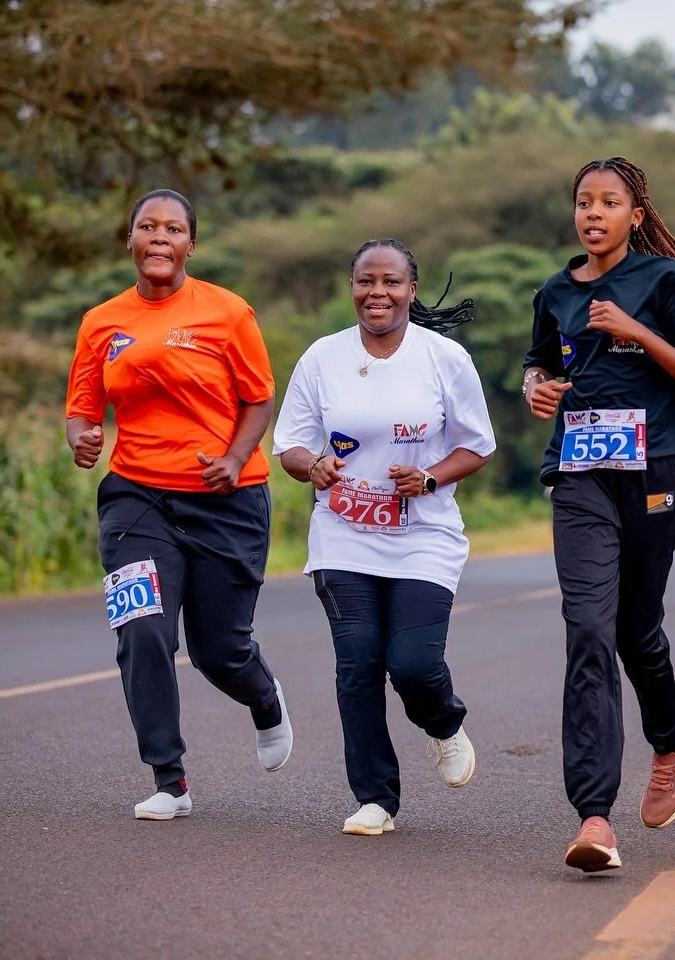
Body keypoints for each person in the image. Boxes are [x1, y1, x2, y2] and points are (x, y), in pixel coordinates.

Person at [522, 157, 675, 872]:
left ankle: (670, 738)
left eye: (609, 202)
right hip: (580, 472)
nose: (594, 213)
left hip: (652, 469)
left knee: (635, 629)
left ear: (635, 215)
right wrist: (537, 385)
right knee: (588, 627)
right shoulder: (556, 291)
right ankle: (594, 816)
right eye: (584, 201)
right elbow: (542, 361)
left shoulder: (672, 283)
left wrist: (639, 333)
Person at [65, 188, 291, 820]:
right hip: (136, 498)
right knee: (142, 630)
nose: (159, 237)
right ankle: (170, 779)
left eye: (173, 229)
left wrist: (233, 457)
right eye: (147, 226)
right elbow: (82, 409)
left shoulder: (228, 312)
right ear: (130, 241)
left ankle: (265, 698)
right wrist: (82, 438)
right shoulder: (101, 322)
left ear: (191, 244)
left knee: (219, 650)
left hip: (227, 499)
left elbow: (258, 399)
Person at [273, 238, 496, 836]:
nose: (378, 293)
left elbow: (477, 445)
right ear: (352, 287)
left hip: (423, 534)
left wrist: (429, 478)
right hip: (343, 534)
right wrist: (313, 465)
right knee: (359, 663)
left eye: (391, 282)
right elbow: (290, 445)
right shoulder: (322, 357)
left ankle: (443, 723)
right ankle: (375, 798)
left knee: (414, 665)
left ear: (411, 290)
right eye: (366, 282)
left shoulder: (444, 358)